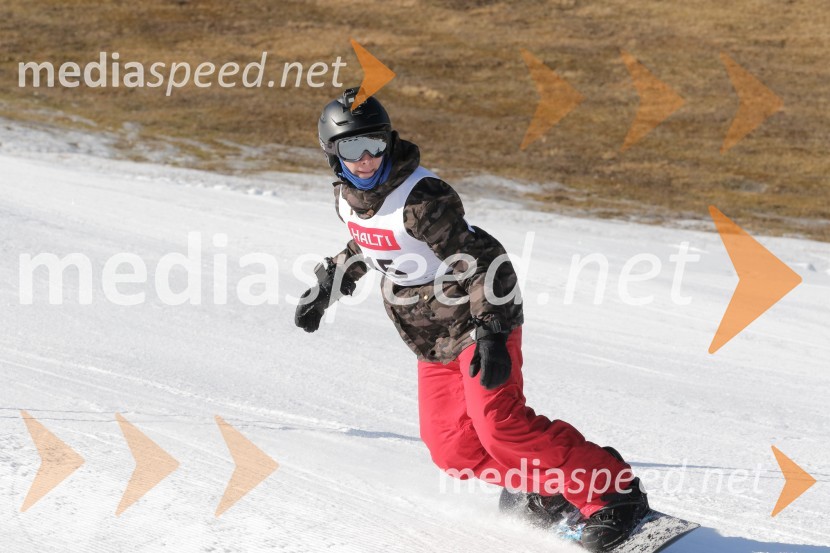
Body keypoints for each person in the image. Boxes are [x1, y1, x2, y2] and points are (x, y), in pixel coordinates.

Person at [295, 87, 649, 551]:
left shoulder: (423, 200)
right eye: (351, 149)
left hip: (478, 324)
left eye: (375, 145)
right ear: (332, 155)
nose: (365, 160)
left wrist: (494, 334)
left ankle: (610, 490)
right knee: (452, 451)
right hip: (430, 340)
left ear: (389, 140)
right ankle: (547, 486)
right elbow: (372, 243)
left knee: (501, 427)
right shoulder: (346, 198)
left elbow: (484, 262)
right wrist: (330, 282)